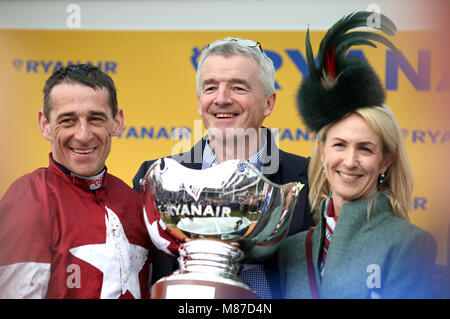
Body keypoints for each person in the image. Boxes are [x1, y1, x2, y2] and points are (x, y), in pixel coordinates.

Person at [133, 38, 313, 298]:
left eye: (238, 87)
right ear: (199, 102)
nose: (222, 99)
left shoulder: (308, 178)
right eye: (210, 88)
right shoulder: (155, 178)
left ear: (269, 103)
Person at [278, 11, 437, 298]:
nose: (350, 161)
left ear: (386, 160)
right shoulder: (292, 249)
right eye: (339, 145)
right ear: (322, 153)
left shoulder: (410, 244)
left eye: (365, 148)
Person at [0, 64, 152, 298]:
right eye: (68, 120)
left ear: (117, 121)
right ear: (44, 124)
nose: (83, 135)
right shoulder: (30, 197)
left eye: (96, 119)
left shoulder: (135, 202)